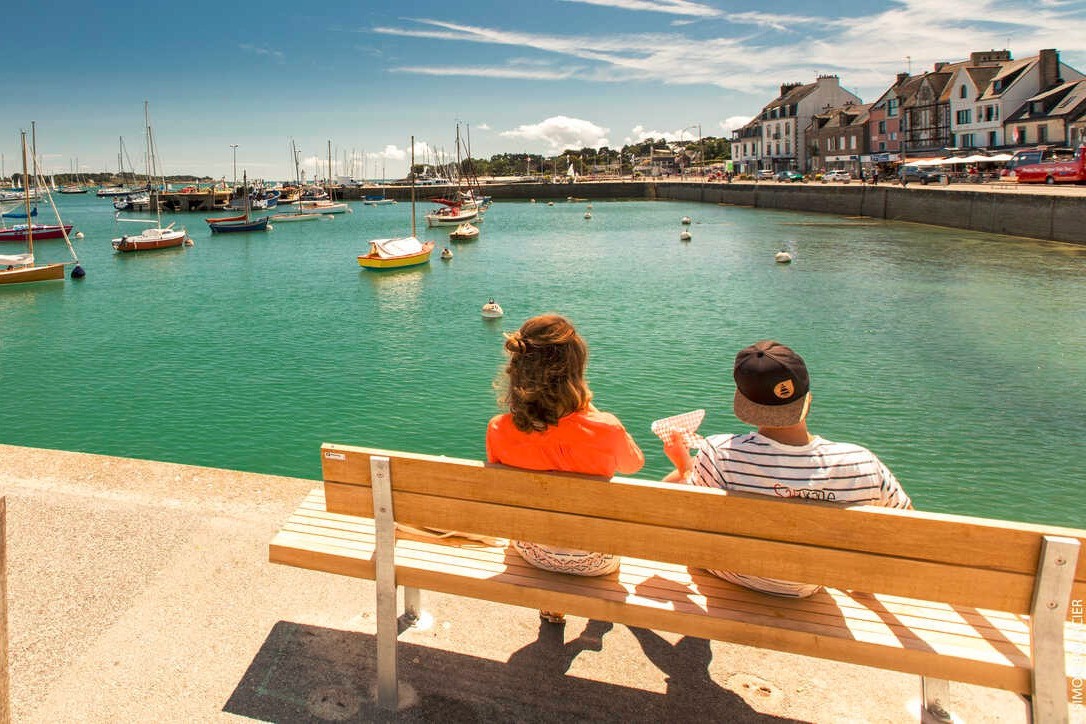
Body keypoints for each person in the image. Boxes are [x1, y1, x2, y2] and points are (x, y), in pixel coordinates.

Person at [663, 340, 911, 598]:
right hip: (808, 584)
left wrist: (683, 465)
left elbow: (682, 511)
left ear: (744, 406)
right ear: (808, 399)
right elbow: (909, 528)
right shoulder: (861, 462)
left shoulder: (718, 452)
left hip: (730, 572)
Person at [487, 314, 644, 621]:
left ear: (518, 371)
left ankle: (552, 604)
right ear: (575, 371)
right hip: (597, 559)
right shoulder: (606, 428)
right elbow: (634, 464)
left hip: (533, 552)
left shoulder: (498, 429)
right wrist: (590, 410)